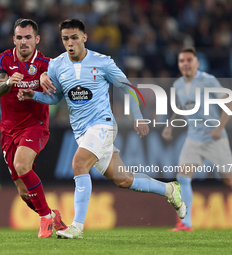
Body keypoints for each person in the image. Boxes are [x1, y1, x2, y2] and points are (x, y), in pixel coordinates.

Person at [17, 18, 187, 239]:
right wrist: (35, 95)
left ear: (84, 38)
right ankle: (170, 190)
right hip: (81, 133)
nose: (70, 43)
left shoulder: (103, 62)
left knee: (78, 163)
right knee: (124, 180)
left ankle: (77, 226)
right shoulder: (57, 65)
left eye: (74, 38)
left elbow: (128, 88)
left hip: (103, 125)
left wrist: (138, 117)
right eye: (65, 38)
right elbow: (57, 97)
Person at [162, 46, 232, 231]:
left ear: (197, 63)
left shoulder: (208, 81)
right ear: (179, 64)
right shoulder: (177, 85)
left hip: (214, 138)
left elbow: (230, 104)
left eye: (189, 60)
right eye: (182, 61)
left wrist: (219, 127)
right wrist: (170, 125)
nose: (185, 64)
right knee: (183, 177)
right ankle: (186, 223)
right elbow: (181, 108)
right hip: (193, 139)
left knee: (230, 181)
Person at [0, 18, 67, 238]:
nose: (23, 42)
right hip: (8, 130)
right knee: (24, 193)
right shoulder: (3, 59)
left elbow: (58, 92)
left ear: (37, 39)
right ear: (13, 39)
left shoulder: (47, 64)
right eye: (19, 37)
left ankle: (44, 218)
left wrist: (47, 77)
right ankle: (53, 214)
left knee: (22, 164)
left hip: (36, 125)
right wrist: (9, 83)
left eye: (28, 37)